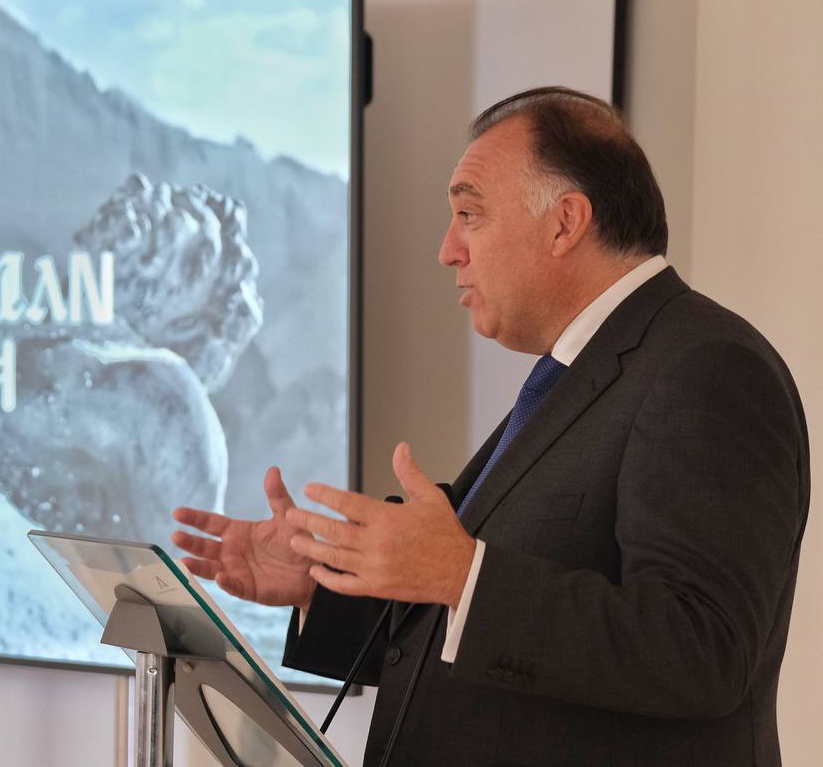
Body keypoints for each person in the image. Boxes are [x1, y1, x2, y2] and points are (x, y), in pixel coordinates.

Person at [172, 87, 810, 767]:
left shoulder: (706, 368)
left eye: (469, 214)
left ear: (565, 223)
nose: (448, 250)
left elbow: (702, 651)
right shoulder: (576, 374)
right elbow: (489, 623)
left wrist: (463, 574)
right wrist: (326, 581)